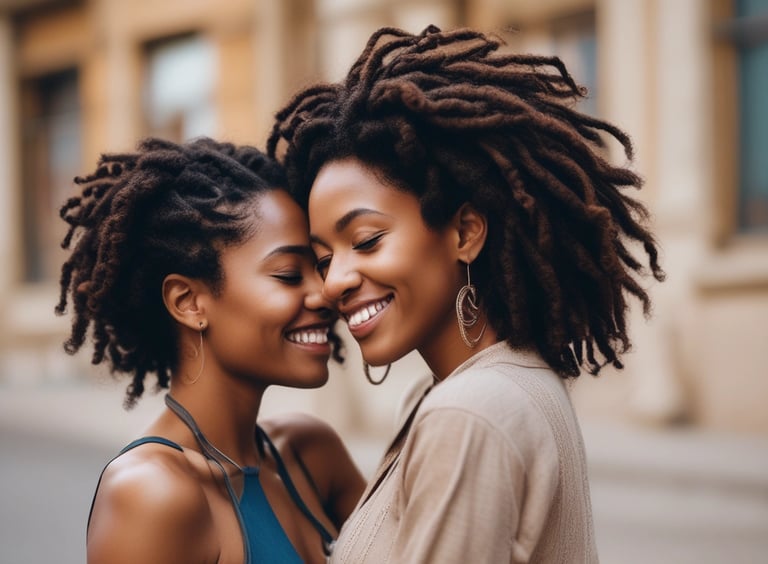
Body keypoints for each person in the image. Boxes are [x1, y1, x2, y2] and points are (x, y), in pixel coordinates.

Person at [268, 25, 666, 563]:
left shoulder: (469, 414)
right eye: (324, 258)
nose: (335, 280)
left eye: (366, 240)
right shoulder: (483, 385)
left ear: (465, 232)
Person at [55, 137, 366, 564]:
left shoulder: (312, 454)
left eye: (321, 265)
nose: (326, 292)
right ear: (189, 302)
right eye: (290, 274)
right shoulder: (152, 494)